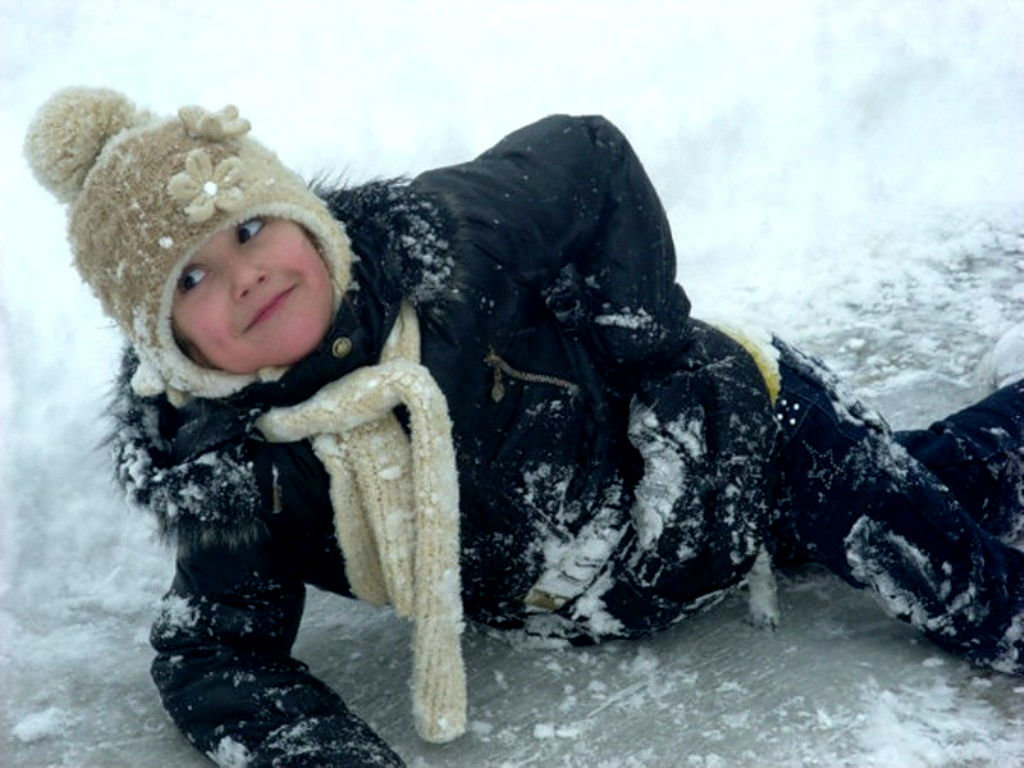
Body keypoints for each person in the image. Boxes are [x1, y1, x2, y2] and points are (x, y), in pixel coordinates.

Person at [24, 86, 1024, 767]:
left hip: (739, 432)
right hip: (634, 569)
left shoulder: (444, 243)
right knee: (960, 474)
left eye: (249, 227)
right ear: (165, 343)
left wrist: (655, 357)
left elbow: (586, 153)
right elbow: (212, 654)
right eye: (190, 277)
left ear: (300, 214)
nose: (243, 274)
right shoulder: (231, 475)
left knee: (936, 565)